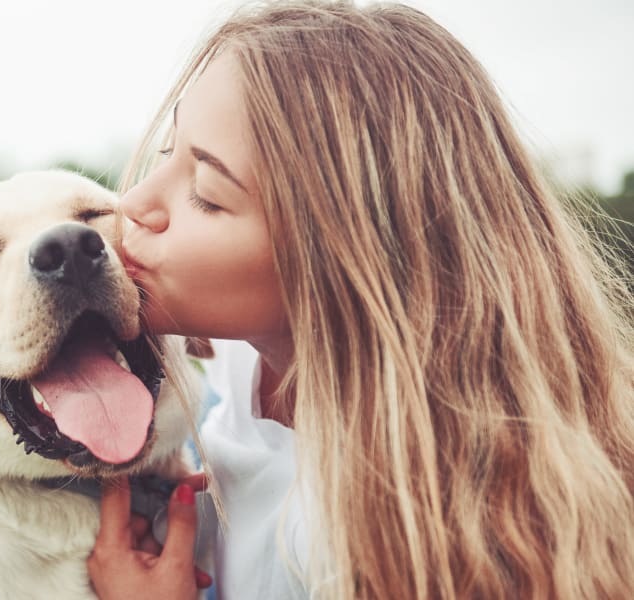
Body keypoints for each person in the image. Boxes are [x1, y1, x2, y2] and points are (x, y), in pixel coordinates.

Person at [85, 2, 634, 599]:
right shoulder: (252, 357)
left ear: (337, 262)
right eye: (169, 152)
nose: (134, 201)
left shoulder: (380, 543)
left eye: (208, 196)